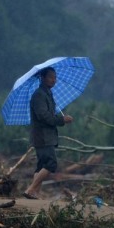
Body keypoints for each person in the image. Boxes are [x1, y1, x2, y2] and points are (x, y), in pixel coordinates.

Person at [23, 66, 73, 200]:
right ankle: (31, 189)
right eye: (50, 77)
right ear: (43, 78)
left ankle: (34, 193)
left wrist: (61, 118)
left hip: (47, 136)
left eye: (55, 77)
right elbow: (44, 117)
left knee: (41, 165)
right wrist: (62, 119)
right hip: (42, 137)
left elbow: (48, 115)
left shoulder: (47, 94)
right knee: (51, 164)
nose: (54, 80)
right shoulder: (39, 95)